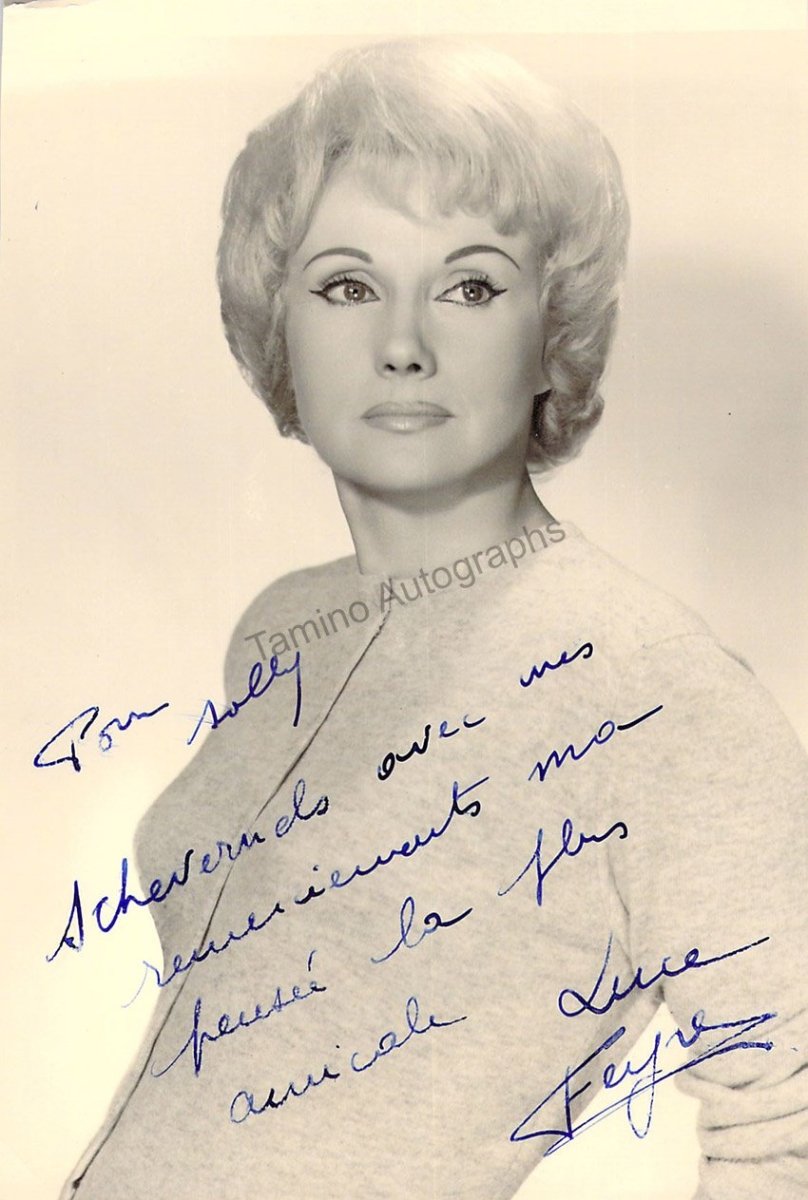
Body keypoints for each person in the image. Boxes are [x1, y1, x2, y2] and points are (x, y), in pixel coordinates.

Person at [62, 38, 807, 1200]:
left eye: (469, 286)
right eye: (347, 286)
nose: (402, 346)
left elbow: (786, 1123)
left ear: (550, 333)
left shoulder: (660, 688)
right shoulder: (284, 627)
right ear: (280, 324)